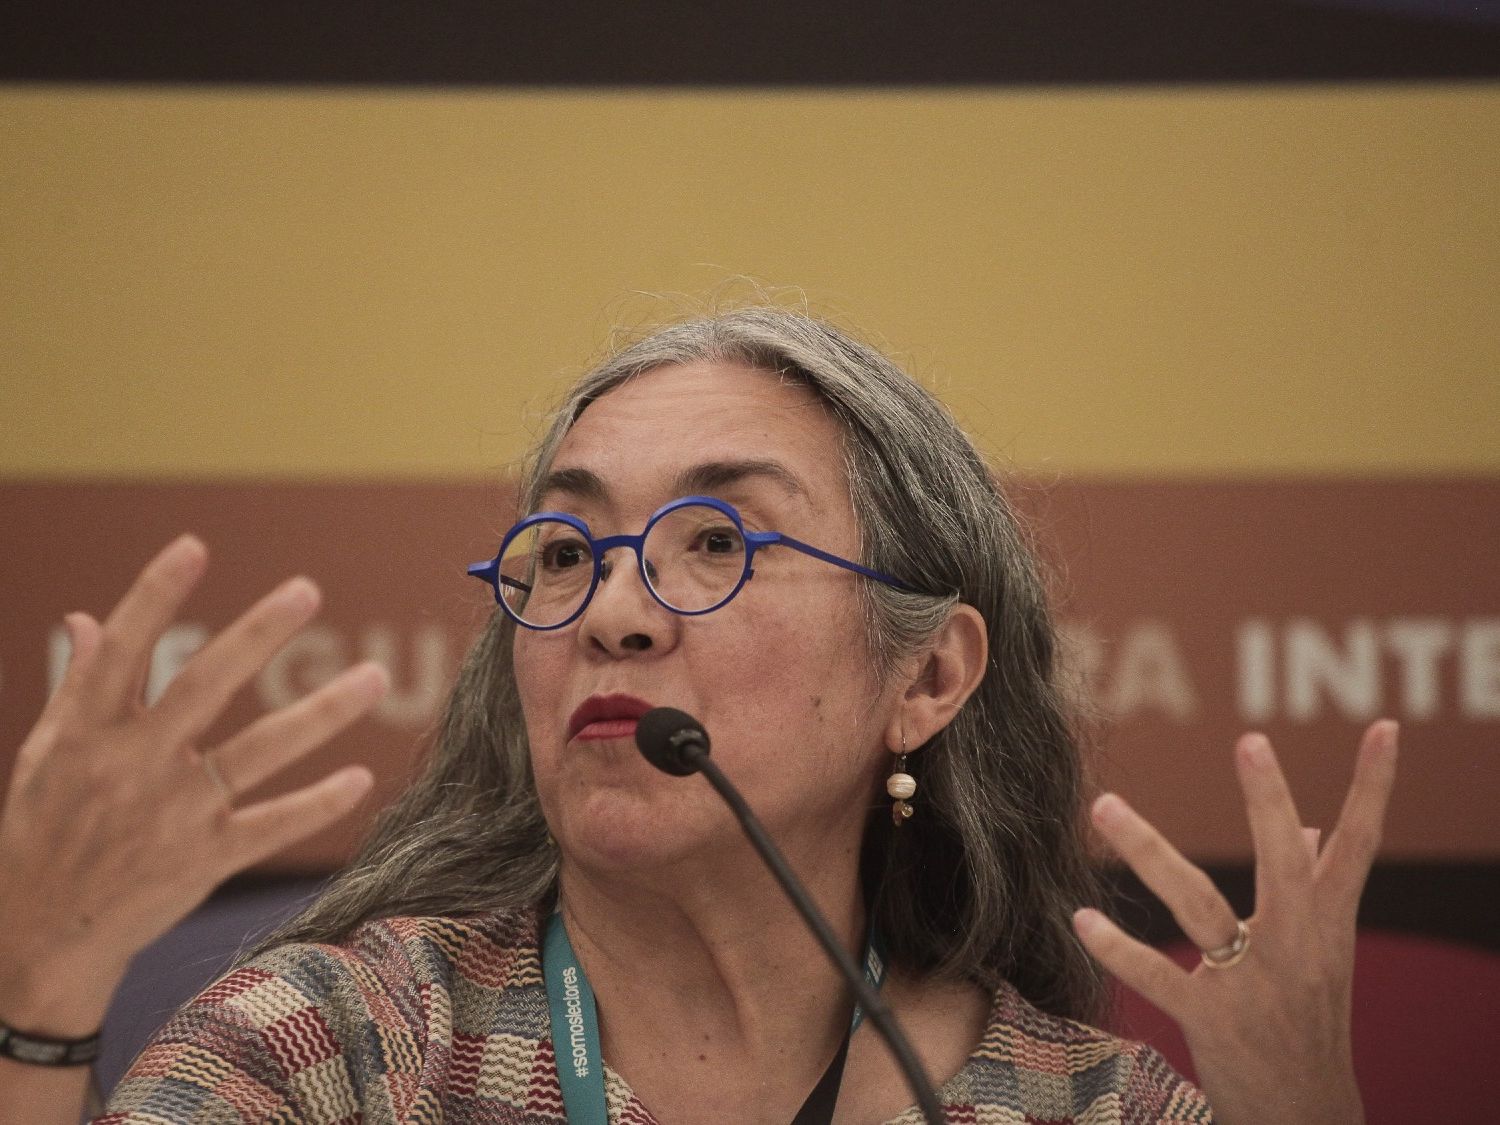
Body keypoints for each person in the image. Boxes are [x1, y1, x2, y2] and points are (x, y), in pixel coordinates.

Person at [0, 305, 1397, 1124]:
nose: (614, 610)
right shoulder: (348, 1051)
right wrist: (40, 1007)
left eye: (718, 542)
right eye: (565, 550)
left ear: (926, 679)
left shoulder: (1087, 1108)